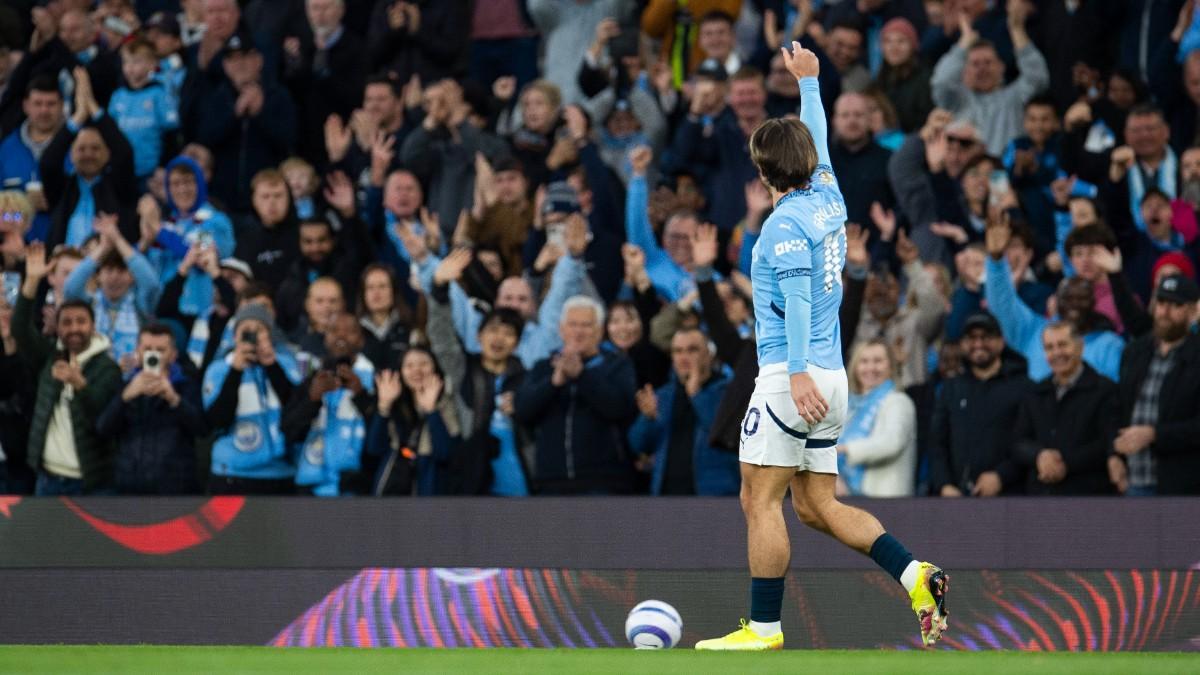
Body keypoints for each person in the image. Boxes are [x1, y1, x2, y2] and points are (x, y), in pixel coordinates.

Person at [696, 43, 947, 652]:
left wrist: (799, 372)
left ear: (762, 172)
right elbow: (819, 143)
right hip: (830, 379)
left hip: (793, 374)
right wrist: (809, 85)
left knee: (759, 498)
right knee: (813, 505)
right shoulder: (829, 197)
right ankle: (917, 575)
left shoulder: (782, 226)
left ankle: (763, 628)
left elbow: (802, 299)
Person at [15, 243, 122, 495]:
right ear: (58, 328)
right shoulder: (50, 356)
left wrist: (80, 385)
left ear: (93, 326)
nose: (74, 328)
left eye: (81, 321)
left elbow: (106, 421)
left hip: (90, 483)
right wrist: (31, 281)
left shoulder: (107, 367)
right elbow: (20, 330)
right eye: (67, 322)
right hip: (48, 479)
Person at [512, 295, 637, 495]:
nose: (578, 332)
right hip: (550, 480)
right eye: (572, 324)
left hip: (603, 481)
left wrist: (581, 376)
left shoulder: (617, 366)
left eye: (586, 325)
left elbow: (619, 408)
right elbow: (522, 411)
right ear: (561, 329)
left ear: (599, 331)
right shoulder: (543, 367)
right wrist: (554, 383)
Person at [1112, 275, 1200, 496]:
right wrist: (1112, 455)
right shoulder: (1134, 352)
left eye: (1176, 305)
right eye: (1161, 302)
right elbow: (1117, 408)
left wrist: (1155, 435)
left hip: (1183, 485)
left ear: (1193, 312)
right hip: (1133, 480)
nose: (1165, 311)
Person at [202, 303, 302, 494]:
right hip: (233, 474)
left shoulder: (286, 363)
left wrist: (272, 366)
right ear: (234, 336)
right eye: (246, 331)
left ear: (270, 334)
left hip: (281, 472)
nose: (253, 337)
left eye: (260, 330)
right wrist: (235, 371)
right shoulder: (219, 369)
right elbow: (217, 420)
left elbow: (296, 409)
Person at [1011, 322, 1120, 496]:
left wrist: (1065, 464)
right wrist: (1039, 456)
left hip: (1089, 498)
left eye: (1062, 345)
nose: (1056, 353)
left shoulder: (1105, 390)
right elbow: (1018, 442)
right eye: (1049, 348)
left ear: (1080, 347)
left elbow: (1107, 443)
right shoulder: (1035, 392)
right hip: (1040, 498)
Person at [95, 323, 205, 495]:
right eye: (147, 349)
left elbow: (201, 428)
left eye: (161, 350)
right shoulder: (123, 385)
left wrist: (174, 399)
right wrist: (125, 397)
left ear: (173, 355)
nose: (153, 354)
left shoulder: (187, 385)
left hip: (175, 490)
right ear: (138, 352)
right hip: (129, 488)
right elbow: (103, 428)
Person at [628, 326, 738, 496]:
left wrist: (696, 395)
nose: (684, 357)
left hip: (715, 497)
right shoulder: (663, 395)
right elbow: (638, 445)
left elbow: (725, 434)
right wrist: (647, 418)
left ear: (709, 355)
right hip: (666, 496)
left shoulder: (728, 391)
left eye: (692, 350)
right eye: (678, 351)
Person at [282, 312, 376, 496]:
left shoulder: (376, 379)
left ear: (361, 340)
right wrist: (312, 400)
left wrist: (361, 396)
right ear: (325, 339)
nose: (341, 336)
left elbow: (384, 437)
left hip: (356, 488)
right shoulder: (311, 380)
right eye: (334, 330)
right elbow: (288, 431)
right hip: (310, 487)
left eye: (350, 331)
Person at [837, 338, 917, 497]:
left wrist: (844, 449)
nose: (871, 368)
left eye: (878, 361)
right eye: (864, 361)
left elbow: (891, 442)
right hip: (848, 498)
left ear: (891, 366)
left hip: (886, 502)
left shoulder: (898, 401)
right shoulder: (848, 405)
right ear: (855, 366)